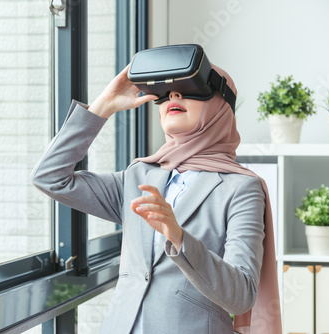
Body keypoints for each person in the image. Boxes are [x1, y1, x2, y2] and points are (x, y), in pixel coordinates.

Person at [31, 61, 282, 333]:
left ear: (220, 105)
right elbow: (50, 177)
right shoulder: (139, 175)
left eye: (189, 88)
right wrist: (103, 106)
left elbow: (241, 295)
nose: (174, 96)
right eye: (166, 91)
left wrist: (179, 237)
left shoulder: (241, 188)